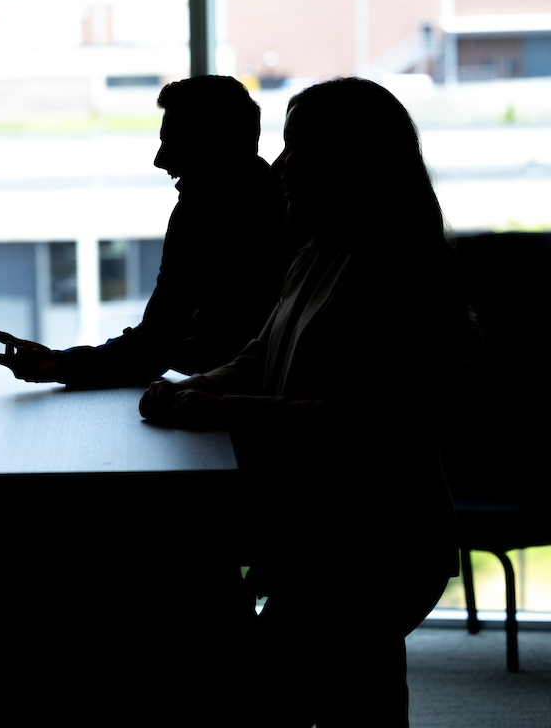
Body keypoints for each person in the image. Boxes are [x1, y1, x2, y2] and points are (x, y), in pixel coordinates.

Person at [140, 77, 468, 727]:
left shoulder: (397, 266)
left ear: (351, 160)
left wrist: (219, 406)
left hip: (378, 540)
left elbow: (355, 417)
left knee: (268, 693)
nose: (282, 164)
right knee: (359, 697)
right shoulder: (321, 247)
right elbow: (262, 354)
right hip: (328, 529)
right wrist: (199, 386)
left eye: (298, 148)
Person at [0, 75, 296, 388]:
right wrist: (62, 363)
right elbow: (156, 340)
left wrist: (68, 363)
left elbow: (177, 349)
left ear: (216, 144)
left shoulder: (288, 225)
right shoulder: (194, 212)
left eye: (175, 142)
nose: (160, 160)